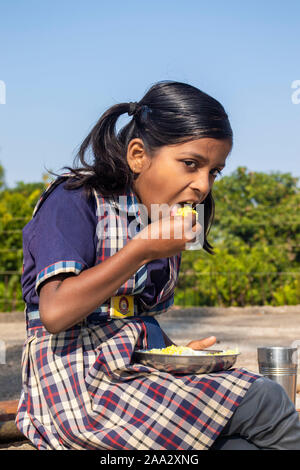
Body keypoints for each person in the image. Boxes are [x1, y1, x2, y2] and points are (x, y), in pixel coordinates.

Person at [15, 80, 300, 450]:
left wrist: (177, 353)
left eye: (213, 172)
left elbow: (127, 318)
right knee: (265, 399)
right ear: (137, 155)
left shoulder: (157, 221)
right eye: (190, 164)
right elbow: (55, 311)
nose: (202, 186)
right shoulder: (75, 199)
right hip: (80, 390)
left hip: (133, 376)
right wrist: (142, 249)